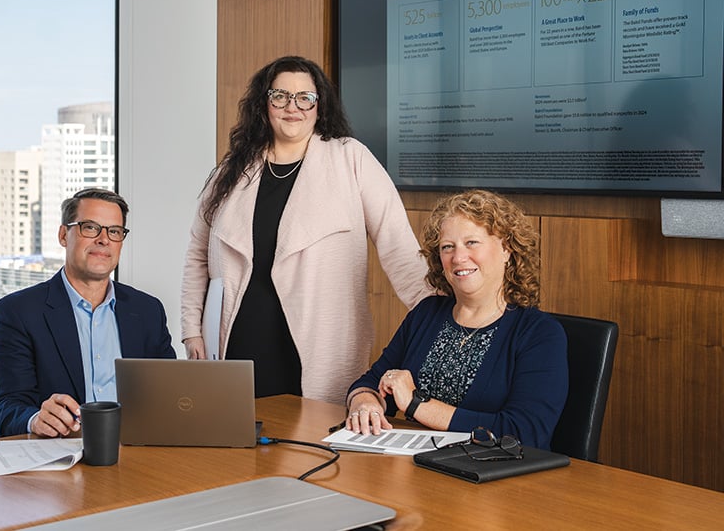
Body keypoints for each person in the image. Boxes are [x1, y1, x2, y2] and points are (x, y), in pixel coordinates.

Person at [181, 55, 430, 403]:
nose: (292, 107)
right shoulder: (231, 169)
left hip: (319, 339)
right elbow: (197, 255)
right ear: (264, 103)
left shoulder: (350, 158)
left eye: (304, 98)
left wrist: (440, 314)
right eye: (280, 96)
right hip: (239, 337)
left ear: (319, 105)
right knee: (241, 445)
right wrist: (192, 329)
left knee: (314, 443)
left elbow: (398, 245)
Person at [345, 189, 568, 450]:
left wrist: (417, 405)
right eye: (447, 247)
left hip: (497, 480)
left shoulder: (540, 333)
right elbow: (372, 382)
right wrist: (365, 403)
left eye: (471, 243)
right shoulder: (426, 314)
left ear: (507, 249)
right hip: (421, 469)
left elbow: (524, 432)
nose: (458, 257)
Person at [0, 188, 176, 437]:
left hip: (137, 451)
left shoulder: (147, 310)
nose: (104, 239)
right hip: (62, 455)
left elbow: (170, 394)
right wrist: (35, 420)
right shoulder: (19, 312)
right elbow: (5, 407)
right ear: (64, 235)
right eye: (90, 228)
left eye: (114, 231)